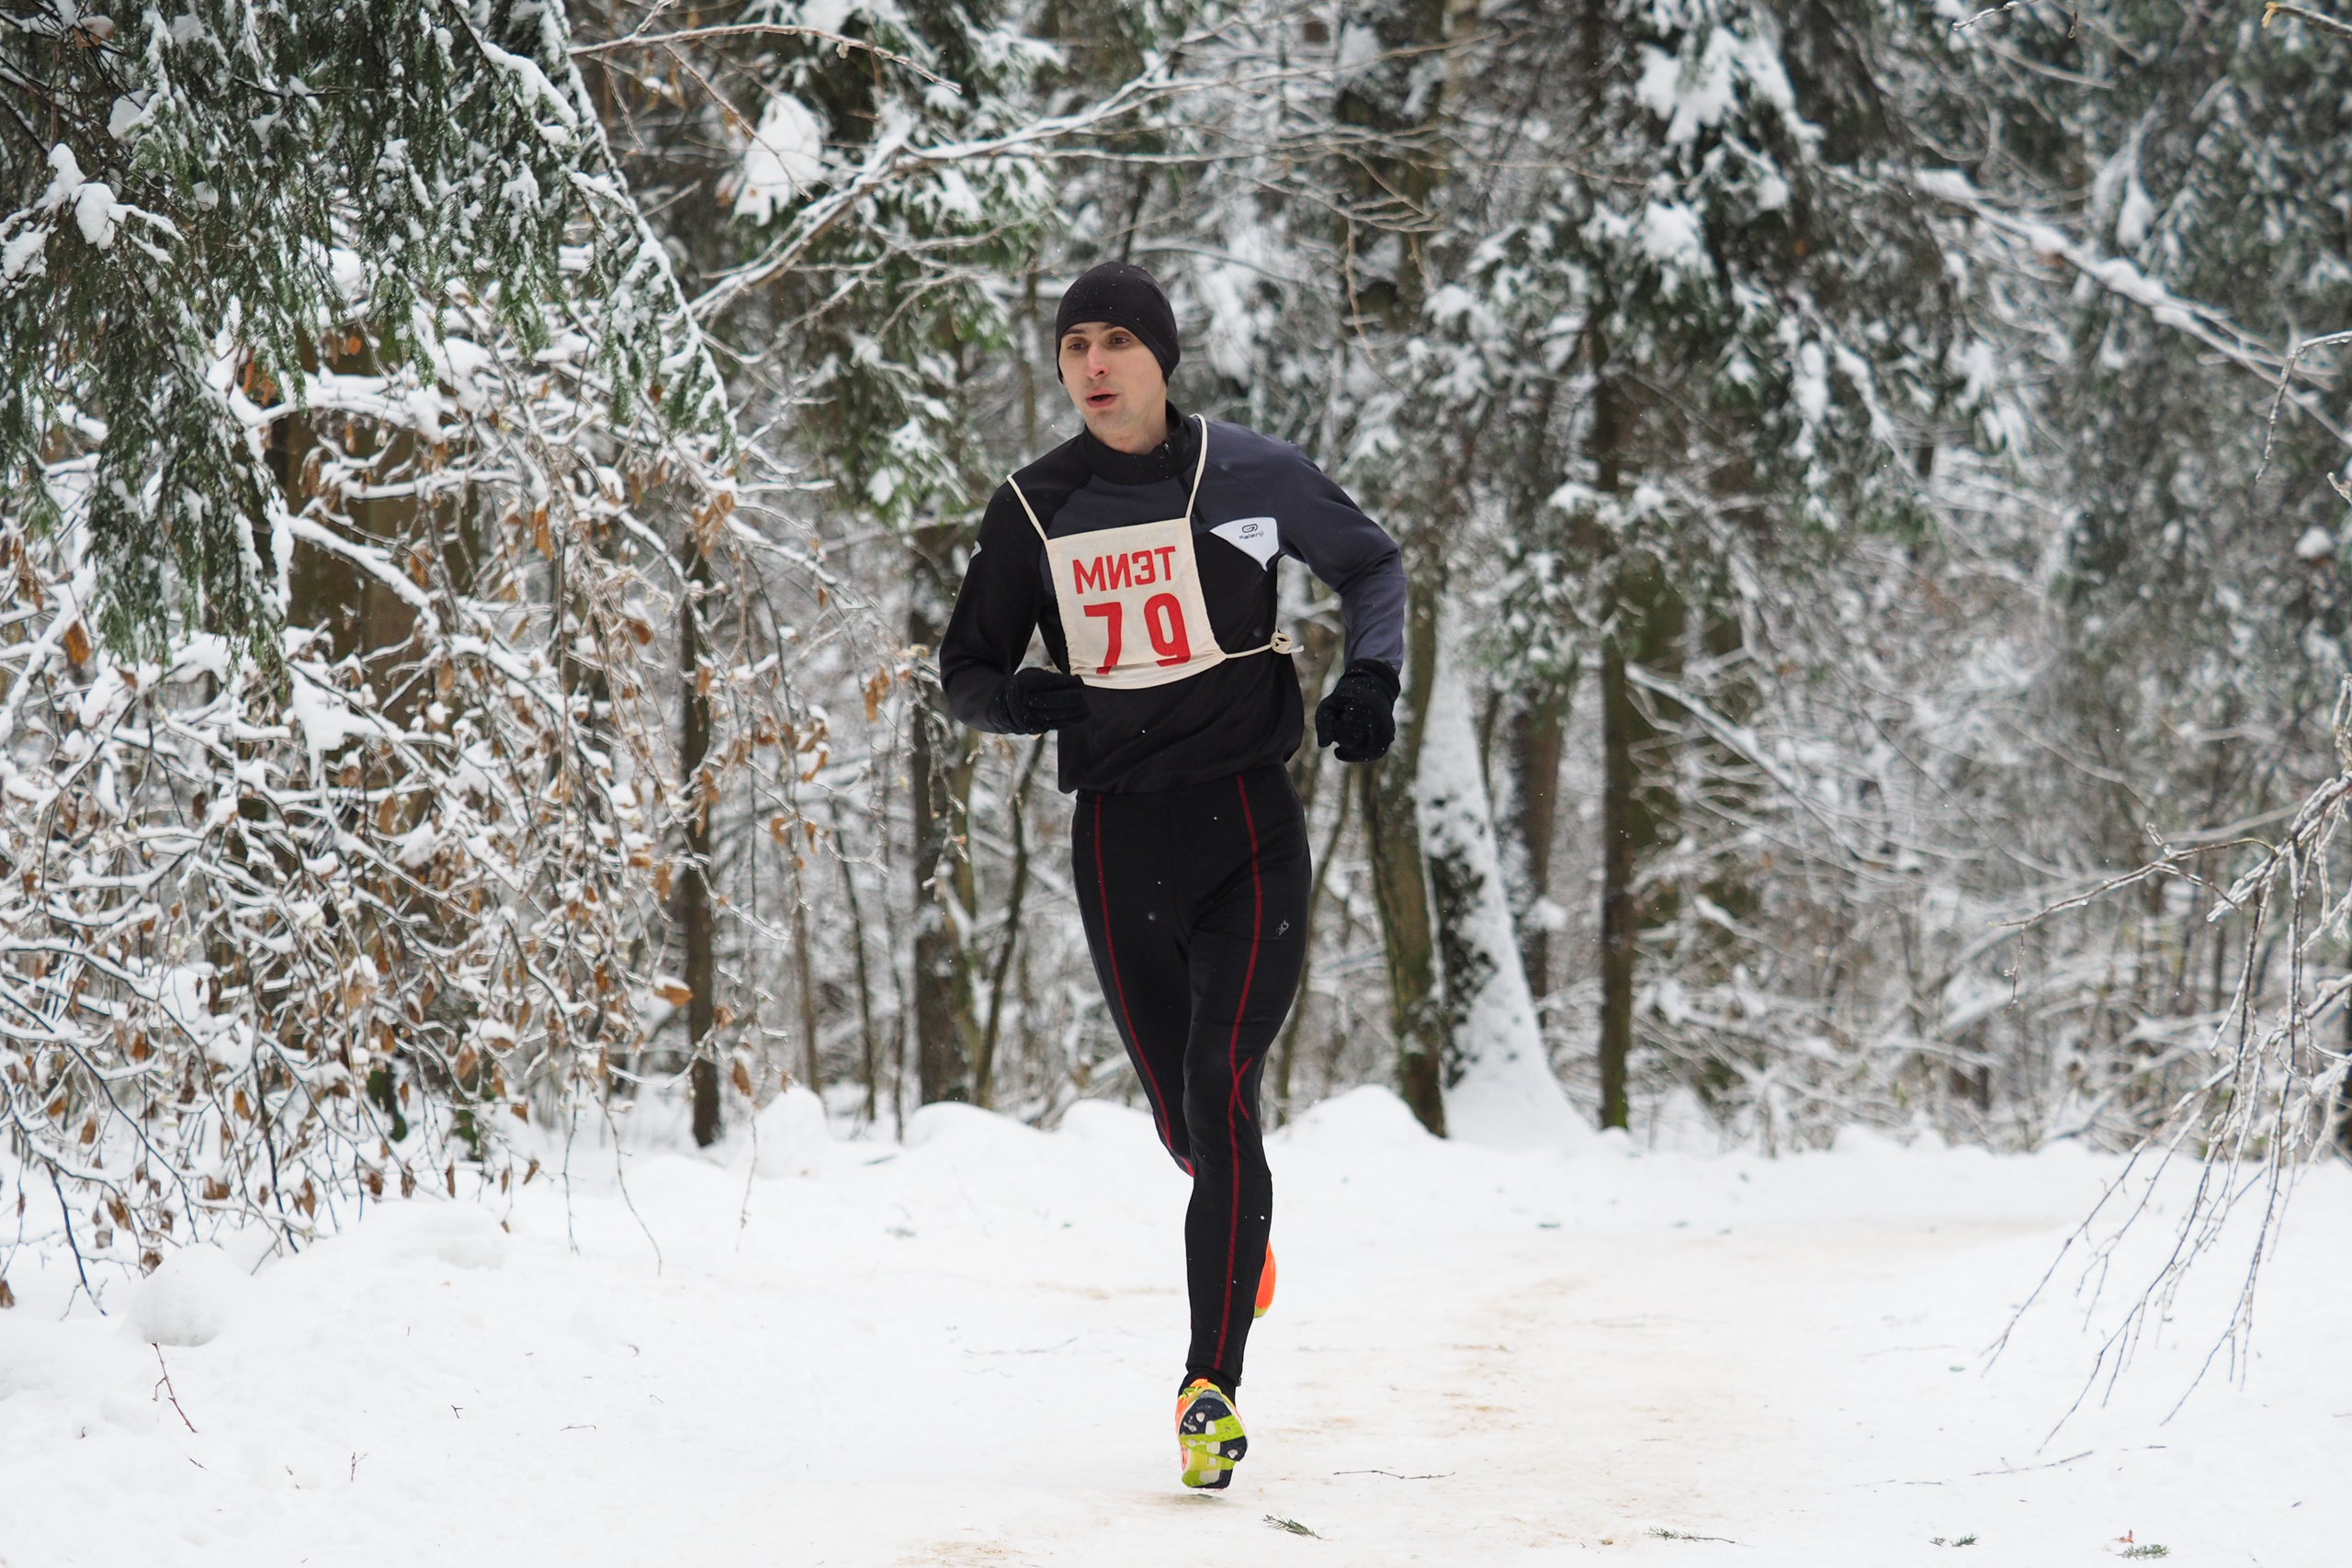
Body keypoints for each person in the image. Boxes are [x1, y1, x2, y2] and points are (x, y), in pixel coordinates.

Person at [939, 261, 1407, 1491]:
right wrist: (1017, 701)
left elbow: (1371, 566)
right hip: (1118, 839)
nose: (1093, 366)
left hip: (1249, 824)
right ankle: (1234, 1214)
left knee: (1220, 1082)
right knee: (1187, 1124)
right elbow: (967, 673)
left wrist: (1372, 677)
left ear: (1163, 357)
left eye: (1116, 343)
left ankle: (1212, 1385)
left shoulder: (1248, 475)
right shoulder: (1036, 508)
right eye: (1073, 345)